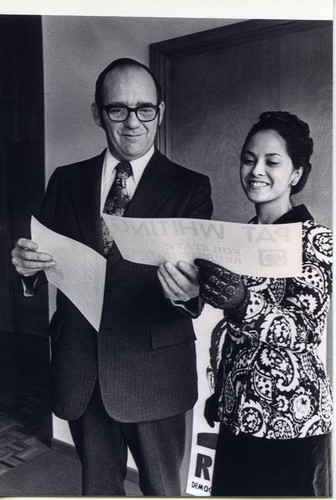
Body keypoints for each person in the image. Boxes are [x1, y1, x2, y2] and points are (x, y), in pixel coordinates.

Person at [11, 58, 213, 496]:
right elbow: (47, 259)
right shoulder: (65, 180)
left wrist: (190, 291)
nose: (133, 122)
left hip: (155, 372)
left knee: (163, 490)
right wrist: (30, 271)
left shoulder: (190, 187)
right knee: (98, 489)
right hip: (81, 365)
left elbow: (200, 279)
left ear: (160, 111)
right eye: (118, 109)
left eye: (145, 109)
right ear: (97, 113)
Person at [195, 111, 333, 496]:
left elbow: (303, 330)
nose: (256, 170)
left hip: (292, 416)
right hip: (239, 412)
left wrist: (241, 301)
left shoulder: (315, 239)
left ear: (296, 174)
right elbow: (232, 331)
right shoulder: (240, 237)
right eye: (248, 158)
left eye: (272, 162)